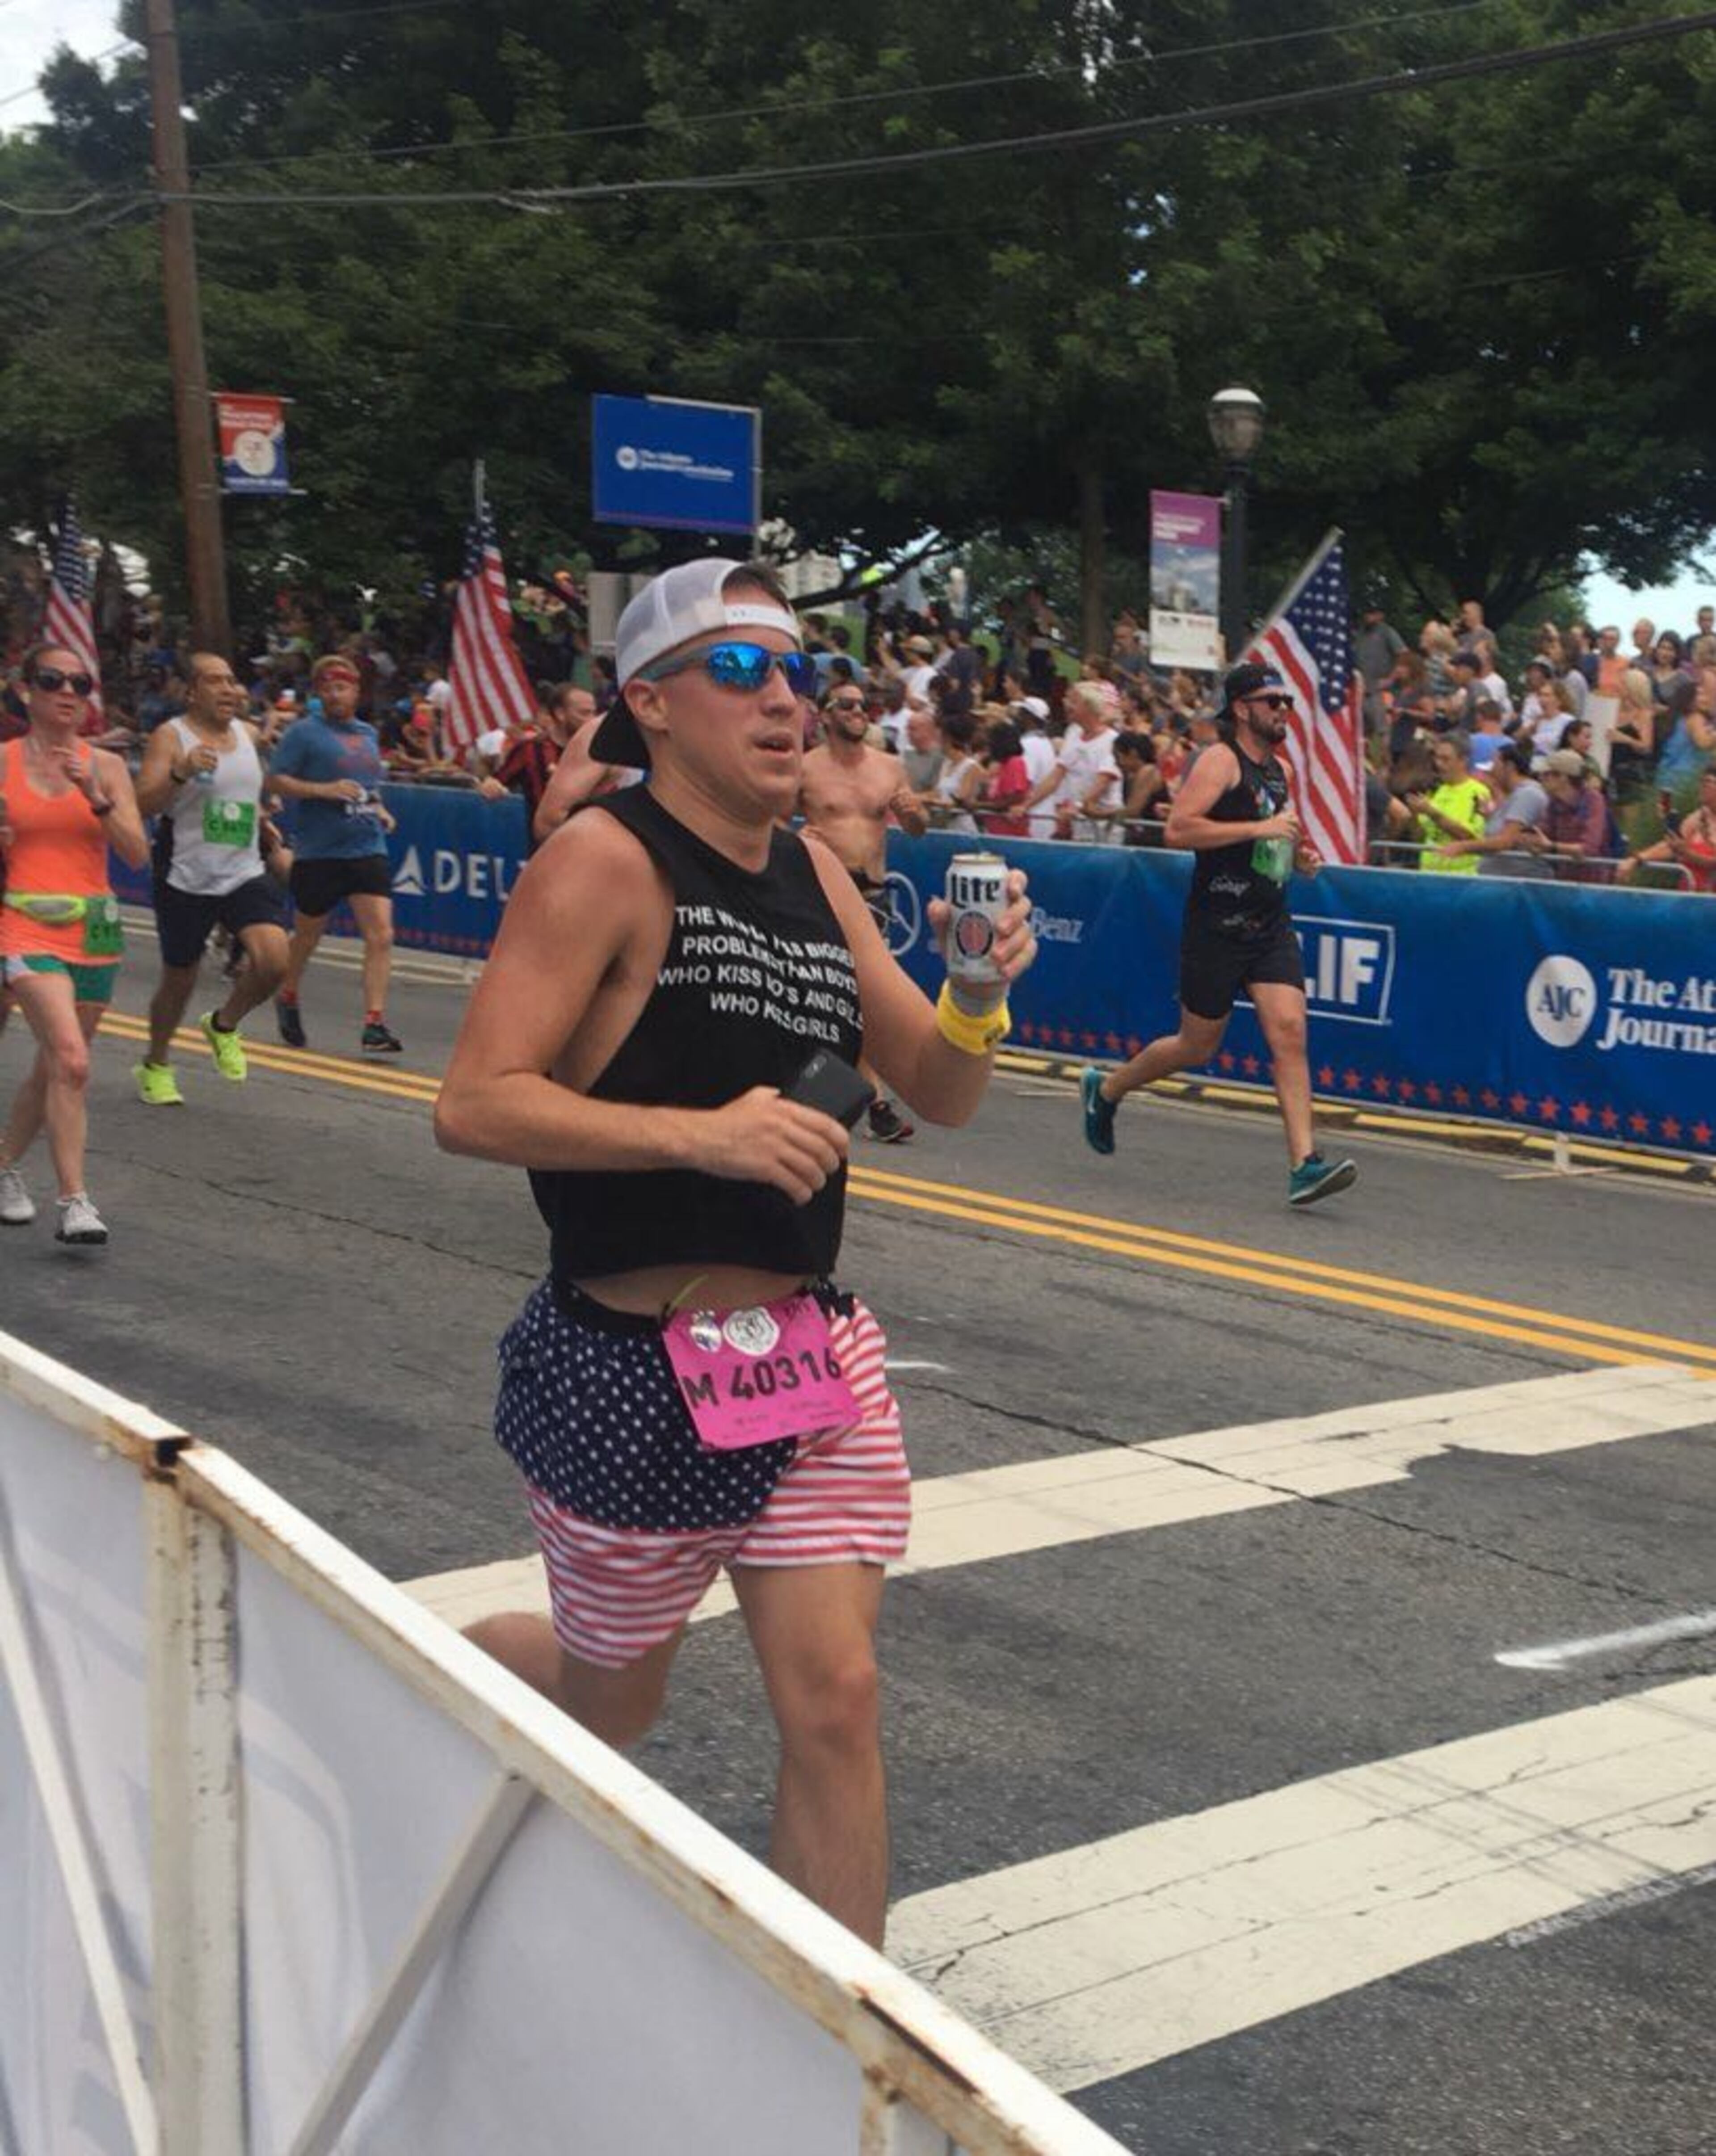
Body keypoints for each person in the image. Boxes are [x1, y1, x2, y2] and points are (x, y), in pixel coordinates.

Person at [433, 558, 1034, 1946]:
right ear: (650, 703)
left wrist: (978, 993)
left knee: (836, 1696)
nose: (785, 701)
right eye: (739, 670)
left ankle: (834, 2058)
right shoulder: (601, 861)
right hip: (624, 1367)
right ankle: (438, 1682)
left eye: (797, 670)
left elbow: (933, 1094)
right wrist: (702, 1138)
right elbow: (474, 1104)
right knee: (610, 1704)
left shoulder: (816, 871)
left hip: (789, 1352)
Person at [1078, 663, 1357, 1206]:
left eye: (1287, 703)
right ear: (1242, 708)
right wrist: (1259, 829)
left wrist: (1298, 856)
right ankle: (1107, 1089)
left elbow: (1277, 835)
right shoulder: (1220, 761)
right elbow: (1179, 829)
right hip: (1216, 924)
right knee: (1196, 1044)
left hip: (1269, 921)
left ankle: (1305, 1164)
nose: (1283, 711)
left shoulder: (1279, 772)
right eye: (1272, 701)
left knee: (1290, 1031)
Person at [0, 643, 148, 1244]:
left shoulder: (106, 766)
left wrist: (97, 795)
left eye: (80, 683)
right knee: (73, 1057)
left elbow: (137, 854)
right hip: (24, 924)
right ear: (25, 691)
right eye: (53, 680)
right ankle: (75, 1201)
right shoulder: (3, 762)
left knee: (57, 1067)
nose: (68, 692)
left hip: (96, 926)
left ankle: (5, 1168)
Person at [131, 652, 290, 1103]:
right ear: (192, 692)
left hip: (242, 870)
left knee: (275, 959)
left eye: (232, 680)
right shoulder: (171, 736)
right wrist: (180, 772)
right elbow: (143, 804)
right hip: (186, 872)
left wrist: (261, 820)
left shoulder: (249, 735)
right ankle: (157, 1063)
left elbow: (243, 793)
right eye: (215, 681)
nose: (229, 690)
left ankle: (223, 1024)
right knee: (180, 979)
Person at [797, 674, 930, 1145]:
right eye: (848, 706)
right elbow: (767, 817)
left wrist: (913, 814)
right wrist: (793, 838)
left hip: (872, 894)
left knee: (861, 997)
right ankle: (864, 1102)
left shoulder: (889, 766)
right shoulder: (806, 768)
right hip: (822, 886)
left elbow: (918, 828)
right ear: (828, 714)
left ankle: (868, 1104)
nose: (859, 713)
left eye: (863, 707)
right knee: (830, 996)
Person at [267, 653, 403, 1053]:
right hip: (320, 850)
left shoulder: (367, 734)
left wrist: (379, 808)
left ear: (357, 691)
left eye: (341, 687)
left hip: (366, 843)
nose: (334, 694)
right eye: (327, 688)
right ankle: (288, 993)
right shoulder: (304, 733)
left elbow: (366, 785)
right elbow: (275, 779)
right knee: (308, 935)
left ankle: (374, 1022)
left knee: (381, 933)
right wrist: (322, 791)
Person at [1436, 741, 1551, 875]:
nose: (1491, 772)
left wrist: (1463, 846)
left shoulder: (1528, 794)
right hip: (1499, 879)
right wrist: (1490, 817)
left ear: (1509, 767)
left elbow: (1505, 841)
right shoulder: (1513, 795)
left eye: (1495, 765)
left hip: (1517, 883)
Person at [1404, 733, 1487, 873]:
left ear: (1463, 761)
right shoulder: (1437, 790)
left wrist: (1432, 813)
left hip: (1459, 879)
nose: (1439, 764)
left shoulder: (1478, 793)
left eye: (1446, 759)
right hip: (1429, 875)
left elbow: (1468, 837)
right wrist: (1413, 814)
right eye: (1437, 758)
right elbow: (1420, 837)